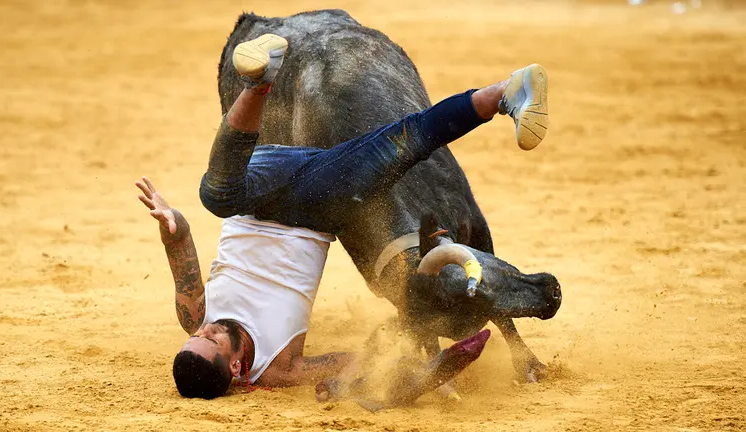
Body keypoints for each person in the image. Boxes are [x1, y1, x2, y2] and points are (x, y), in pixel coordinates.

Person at [136, 34, 549, 399]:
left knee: (216, 194)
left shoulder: (194, 318)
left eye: (197, 336)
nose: (205, 330)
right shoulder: (281, 369)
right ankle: (507, 92)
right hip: (318, 203)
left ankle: (260, 80)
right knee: (403, 144)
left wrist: (171, 222)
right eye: (211, 341)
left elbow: (182, 249)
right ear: (236, 369)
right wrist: (401, 372)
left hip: (254, 193)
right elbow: (357, 360)